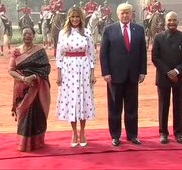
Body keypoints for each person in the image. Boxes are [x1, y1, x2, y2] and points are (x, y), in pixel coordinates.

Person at [100, 3, 147, 146]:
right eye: (122, 13)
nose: (125, 15)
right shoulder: (109, 30)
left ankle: (132, 135)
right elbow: (103, 54)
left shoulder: (139, 29)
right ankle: (115, 136)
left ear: (132, 14)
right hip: (114, 76)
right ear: (117, 14)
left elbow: (142, 53)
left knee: (132, 107)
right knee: (114, 108)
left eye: (128, 13)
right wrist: (106, 72)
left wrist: (142, 71)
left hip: (133, 75)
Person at [56, 7, 96, 147]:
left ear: (81, 18)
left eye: (77, 17)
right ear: (69, 18)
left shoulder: (87, 33)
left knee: (82, 99)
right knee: (72, 100)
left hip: (84, 68)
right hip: (68, 69)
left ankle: (83, 131)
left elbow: (91, 54)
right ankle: (74, 132)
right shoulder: (63, 33)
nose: (75, 19)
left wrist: (92, 73)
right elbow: (59, 54)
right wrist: (59, 73)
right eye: (72, 17)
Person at [151, 11, 182, 144]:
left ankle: (179, 133)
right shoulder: (158, 37)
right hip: (163, 77)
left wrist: (176, 71)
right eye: (169, 20)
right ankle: (163, 133)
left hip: (179, 77)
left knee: (178, 105)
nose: (172, 23)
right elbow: (155, 58)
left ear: (178, 21)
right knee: (163, 106)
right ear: (165, 21)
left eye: (174, 20)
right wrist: (168, 72)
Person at [8, 26, 51, 152]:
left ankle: (37, 143)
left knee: (37, 113)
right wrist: (23, 78)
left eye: (30, 33)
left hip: (37, 88)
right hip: (21, 88)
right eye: (25, 33)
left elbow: (46, 68)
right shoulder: (16, 51)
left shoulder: (40, 51)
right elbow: (11, 70)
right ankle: (23, 144)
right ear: (22, 35)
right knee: (23, 115)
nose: (27, 35)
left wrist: (33, 76)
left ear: (34, 35)